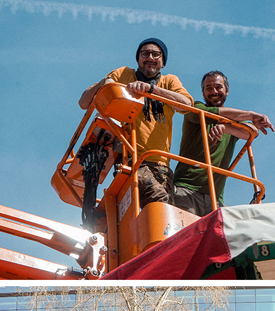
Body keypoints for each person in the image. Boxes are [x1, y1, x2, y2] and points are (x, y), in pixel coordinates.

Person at [79, 38, 193, 209]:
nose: (150, 57)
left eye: (156, 54)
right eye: (145, 53)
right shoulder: (124, 74)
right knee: (159, 202)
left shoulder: (169, 81)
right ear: (138, 58)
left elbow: (187, 105)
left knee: (165, 215)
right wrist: (105, 83)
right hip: (131, 159)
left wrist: (151, 90)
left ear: (163, 61)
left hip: (161, 165)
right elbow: (83, 103)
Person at [172, 71, 275, 216]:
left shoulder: (230, 122)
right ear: (203, 93)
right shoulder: (195, 109)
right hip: (186, 191)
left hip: (215, 198)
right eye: (208, 88)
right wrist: (251, 115)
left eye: (218, 87)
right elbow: (207, 113)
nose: (214, 91)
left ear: (227, 91)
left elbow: (251, 132)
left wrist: (225, 128)